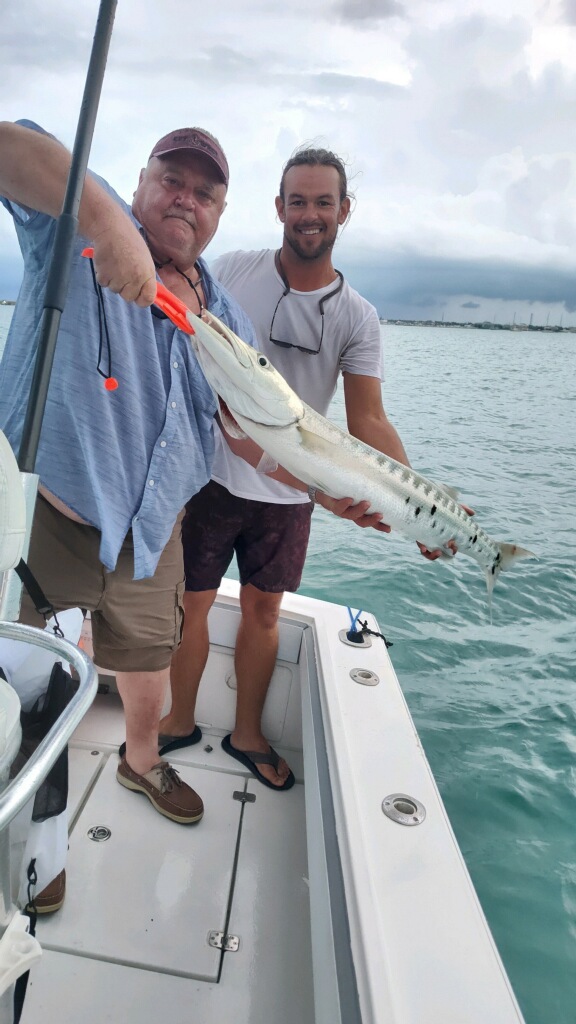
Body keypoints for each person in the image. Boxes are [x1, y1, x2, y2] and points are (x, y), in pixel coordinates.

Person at [0, 119, 259, 858]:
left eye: (205, 193)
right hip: (51, 516)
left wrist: (340, 490)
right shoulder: (80, 222)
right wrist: (107, 220)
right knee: (33, 691)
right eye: (170, 180)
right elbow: (10, 148)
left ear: (219, 214)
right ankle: (36, 843)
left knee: (151, 664)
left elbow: (251, 430)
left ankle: (140, 761)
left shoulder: (222, 311)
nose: (185, 200)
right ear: (141, 182)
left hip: (155, 532)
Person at [160, 146, 458, 791]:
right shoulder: (232, 270)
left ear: (344, 211)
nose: (310, 214)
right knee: (193, 604)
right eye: (298, 201)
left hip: (292, 495)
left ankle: (246, 733)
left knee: (265, 613)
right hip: (209, 476)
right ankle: (177, 722)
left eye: (324, 202)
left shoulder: (357, 316)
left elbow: (369, 422)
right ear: (278, 208)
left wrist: (421, 515)